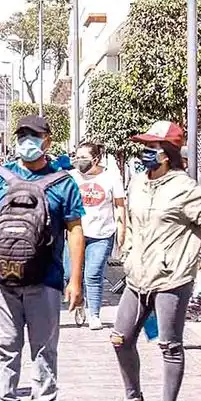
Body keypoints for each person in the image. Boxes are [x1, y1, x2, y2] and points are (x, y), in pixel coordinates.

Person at [0, 115, 86, 401]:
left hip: (45, 278)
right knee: (6, 346)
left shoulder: (63, 183)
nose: (27, 141)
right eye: (22, 135)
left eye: (34, 135)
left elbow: (75, 230)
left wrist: (75, 279)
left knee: (44, 348)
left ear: (48, 140)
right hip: (2, 279)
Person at [107, 121, 201, 401]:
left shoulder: (185, 188)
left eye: (150, 148)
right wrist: (130, 252)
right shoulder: (136, 183)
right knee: (120, 337)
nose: (144, 153)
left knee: (169, 345)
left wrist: (191, 247)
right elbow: (132, 223)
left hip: (171, 278)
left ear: (166, 154)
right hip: (137, 276)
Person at [66, 142, 127, 331]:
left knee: (93, 274)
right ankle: (80, 300)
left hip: (102, 233)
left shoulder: (110, 177)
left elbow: (119, 205)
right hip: (74, 233)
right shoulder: (70, 177)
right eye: (77, 157)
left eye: (84, 157)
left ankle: (94, 314)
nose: (80, 161)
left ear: (96, 158)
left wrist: (122, 230)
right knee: (70, 274)